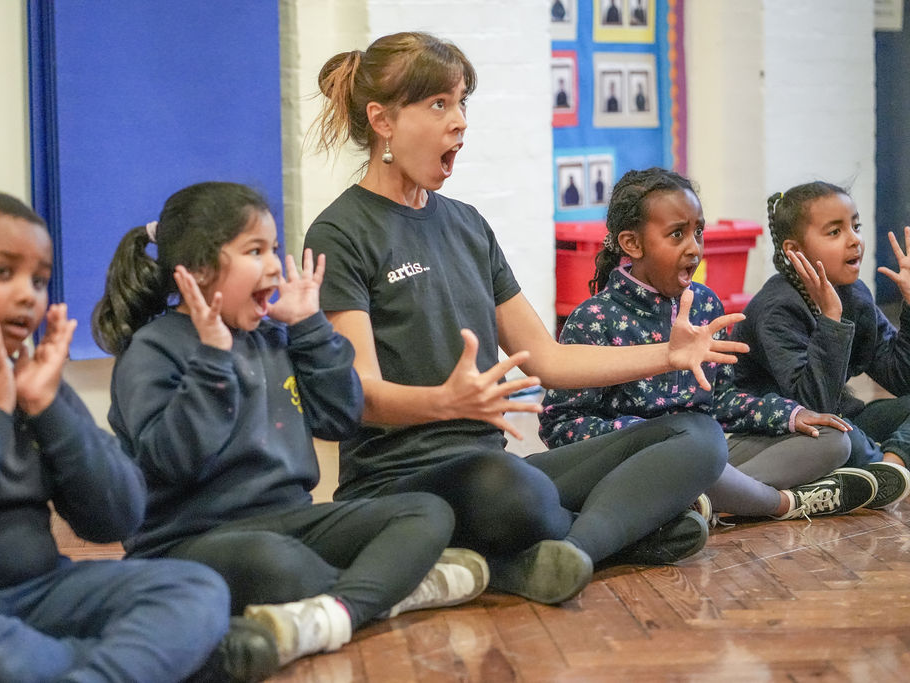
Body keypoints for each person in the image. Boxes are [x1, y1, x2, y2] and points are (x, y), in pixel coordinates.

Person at [303, 32, 746, 606]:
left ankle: (572, 550)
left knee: (699, 437)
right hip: (401, 481)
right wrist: (447, 401)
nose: (460, 121)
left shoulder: (467, 225)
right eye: (439, 104)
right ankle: (616, 532)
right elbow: (357, 392)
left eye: (462, 103)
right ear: (382, 120)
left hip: (493, 467)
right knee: (511, 487)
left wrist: (669, 354)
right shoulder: (340, 232)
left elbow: (548, 359)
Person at [93, 181, 489, 673]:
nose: (277, 266)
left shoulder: (272, 337)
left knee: (425, 513)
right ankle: (394, 591)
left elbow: (338, 418)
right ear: (196, 269)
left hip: (291, 520)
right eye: (255, 251)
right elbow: (175, 460)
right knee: (276, 564)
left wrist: (309, 327)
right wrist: (214, 361)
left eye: (274, 249)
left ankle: (339, 609)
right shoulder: (152, 350)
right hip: (190, 542)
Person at [0, 190, 273, 683]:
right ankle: (159, 663)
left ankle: (95, 667)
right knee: (0, 658)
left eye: (40, 279)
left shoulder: (32, 382)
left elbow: (117, 518)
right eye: (3, 272)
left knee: (196, 590)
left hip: (43, 590)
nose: (28, 294)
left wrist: (49, 408)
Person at [539, 168, 880, 523]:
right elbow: (560, 424)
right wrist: (649, 436)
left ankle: (703, 502)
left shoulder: (705, 304)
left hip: (709, 451)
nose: (694, 247)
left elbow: (721, 398)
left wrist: (790, 414)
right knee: (691, 453)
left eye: (697, 231)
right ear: (632, 244)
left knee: (832, 439)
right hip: (641, 463)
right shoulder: (593, 318)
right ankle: (771, 501)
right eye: (676, 234)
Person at [731, 181, 910, 508]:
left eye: (855, 226)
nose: (855, 239)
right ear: (794, 250)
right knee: (843, 438)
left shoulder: (855, 294)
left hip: (841, 422)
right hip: (780, 431)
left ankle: (888, 467)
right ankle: (878, 470)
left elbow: (900, 379)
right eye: (835, 232)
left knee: (852, 434)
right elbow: (813, 406)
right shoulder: (776, 310)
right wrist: (830, 319)